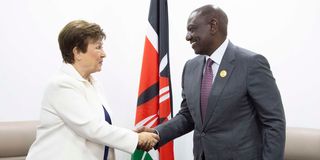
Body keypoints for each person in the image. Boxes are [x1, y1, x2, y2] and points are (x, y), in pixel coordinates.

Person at [138, 4, 286, 160]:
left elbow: (274, 122)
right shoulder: (191, 67)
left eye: (192, 29)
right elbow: (188, 116)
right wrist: (156, 133)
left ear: (213, 26)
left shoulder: (251, 64)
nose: (187, 36)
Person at [26, 20, 158, 160]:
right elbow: (92, 129)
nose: (103, 54)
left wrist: (131, 134)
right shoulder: (61, 84)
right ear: (77, 52)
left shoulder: (92, 83)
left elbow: (98, 127)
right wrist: (135, 139)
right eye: (98, 47)